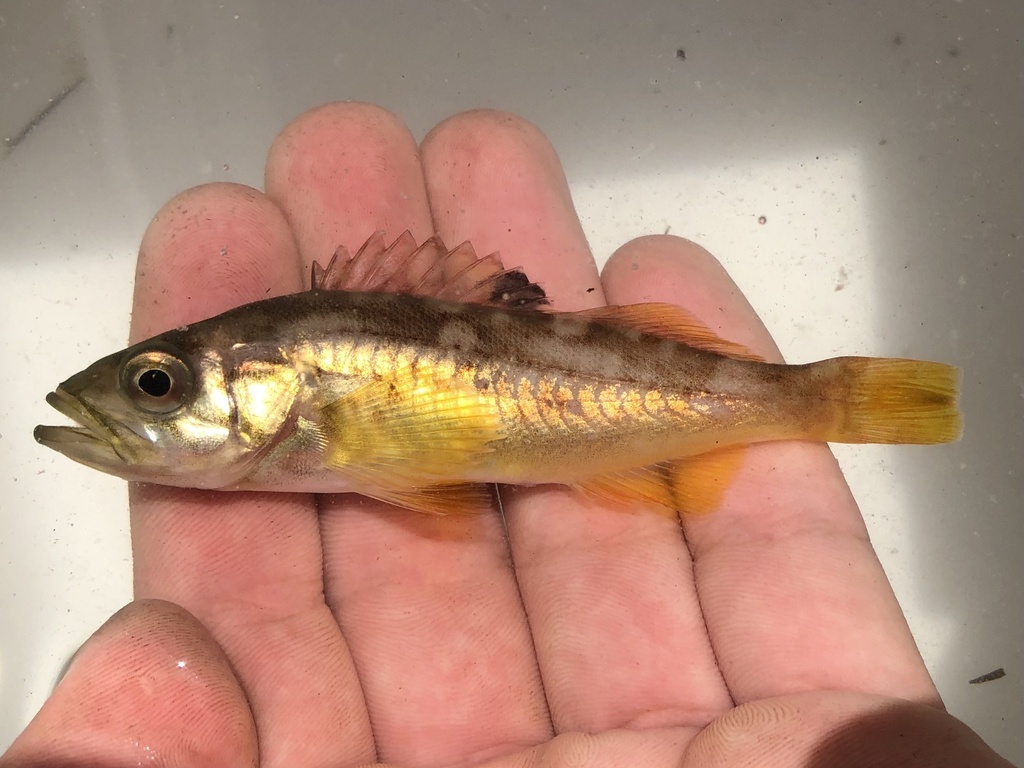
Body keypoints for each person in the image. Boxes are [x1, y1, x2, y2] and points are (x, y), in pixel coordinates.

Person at [1, 104, 1010, 768]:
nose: (142, 404)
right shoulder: (300, 419)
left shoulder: (317, 406)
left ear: (275, 386)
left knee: (771, 404)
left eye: (159, 387)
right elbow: (426, 461)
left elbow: (422, 459)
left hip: (622, 419)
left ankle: (822, 398)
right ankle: (818, 398)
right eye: (155, 387)